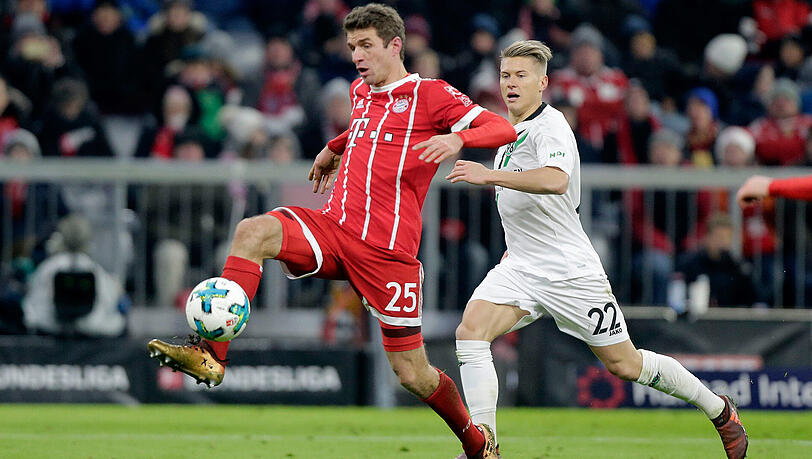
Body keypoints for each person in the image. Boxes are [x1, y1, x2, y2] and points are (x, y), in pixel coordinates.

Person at [148, 4, 516, 458]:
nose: (357, 56)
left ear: (395, 45)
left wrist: (459, 138)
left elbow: (501, 128)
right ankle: (212, 356)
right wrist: (334, 146)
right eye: (352, 46)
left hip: (387, 254)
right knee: (253, 231)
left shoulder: (430, 94)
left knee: (412, 373)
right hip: (335, 228)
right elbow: (368, 128)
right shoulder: (360, 91)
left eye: (366, 46)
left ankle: (478, 445)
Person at [445, 40, 748, 459]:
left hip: (570, 272)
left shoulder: (550, 126)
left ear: (542, 83)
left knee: (625, 364)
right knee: (471, 332)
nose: (511, 83)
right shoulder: (508, 135)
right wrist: (514, 246)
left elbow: (556, 180)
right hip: (521, 266)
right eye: (505, 75)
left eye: (521, 76)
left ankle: (719, 409)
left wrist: (488, 176)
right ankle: (486, 445)